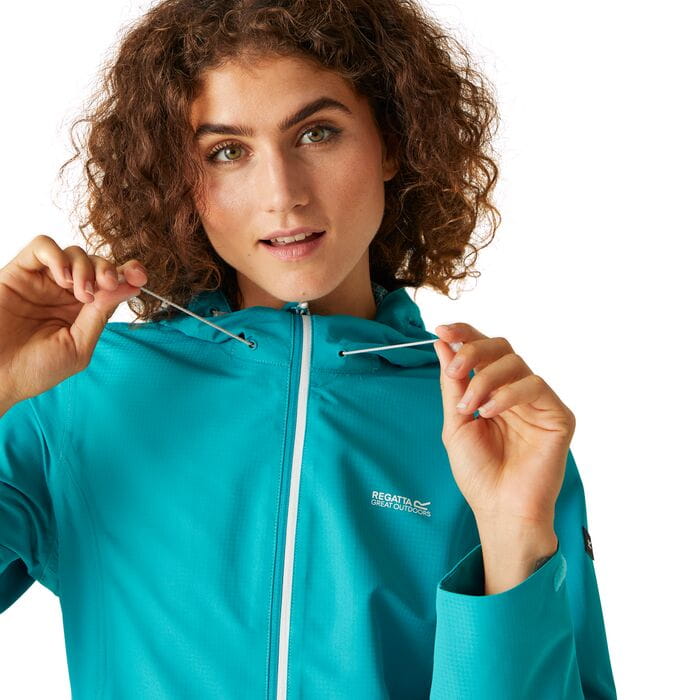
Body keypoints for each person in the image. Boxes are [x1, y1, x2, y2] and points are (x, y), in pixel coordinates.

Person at [0, 0, 617, 697]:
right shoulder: (77, 396)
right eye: (227, 151)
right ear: (180, 181)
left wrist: (514, 539)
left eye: (317, 133)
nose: (283, 194)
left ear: (391, 141)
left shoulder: (494, 429)